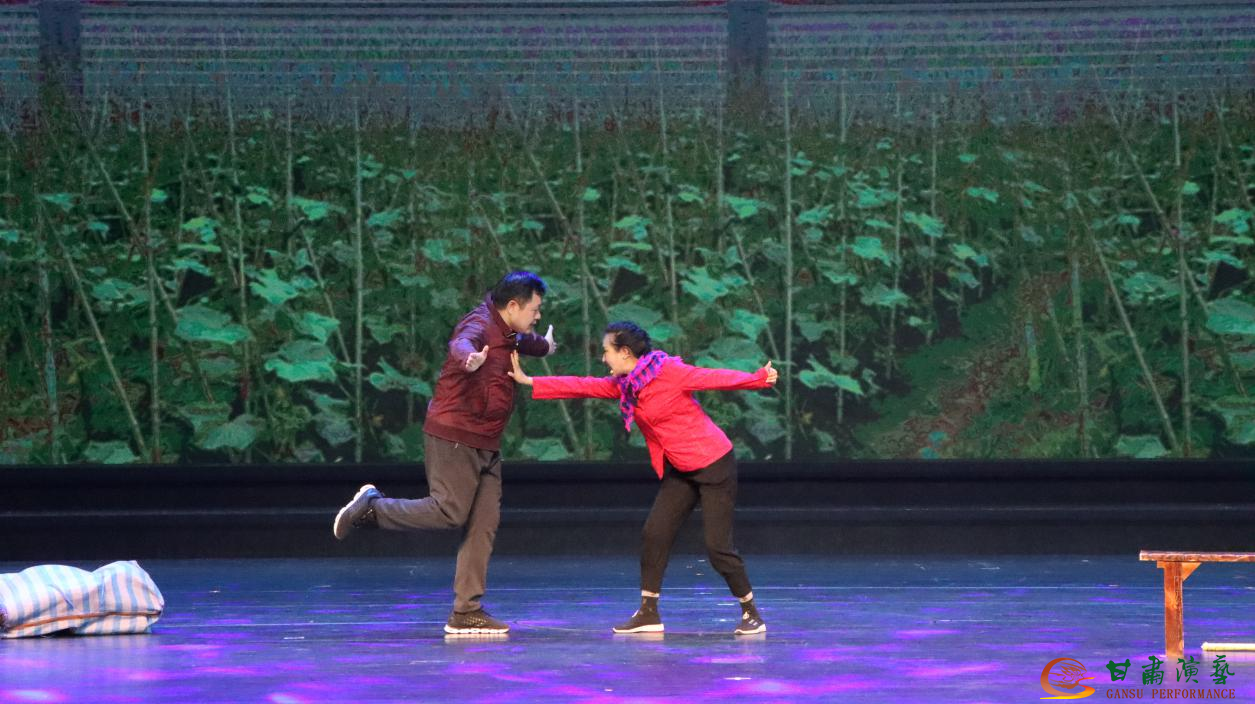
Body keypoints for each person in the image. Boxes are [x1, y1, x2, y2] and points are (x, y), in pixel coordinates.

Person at [508, 320, 777, 635]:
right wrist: (529, 380)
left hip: (714, 464)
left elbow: (712, 378)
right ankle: (648, 612)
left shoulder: (669, 372)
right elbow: (583, 385)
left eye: (607, 351)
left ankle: (751, 612)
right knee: (654, 534)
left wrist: (758, 379)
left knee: (717, 547)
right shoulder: (628, 386)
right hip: (681, 468)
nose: (604, 358)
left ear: (624, 352)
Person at [332, 271, 556, 635]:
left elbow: (524, 341)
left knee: (483, 524)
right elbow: (462, 343)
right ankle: (373, 509)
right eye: (535, 309)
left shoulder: (508, 329)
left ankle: (466, 611)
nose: (538, 315)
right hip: (456, 435)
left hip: (487, 441)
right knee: (450, 511)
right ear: (513, 306)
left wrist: (545, 346)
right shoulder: (479, 324)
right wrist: (469, 359)